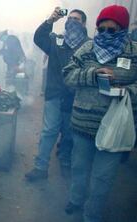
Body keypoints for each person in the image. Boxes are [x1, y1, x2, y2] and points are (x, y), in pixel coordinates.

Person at [63, 5, 137, 222]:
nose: (105, 34)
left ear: (123, 28)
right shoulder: (86, 48)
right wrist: (93, 73)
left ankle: (91, 215)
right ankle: (75, 199)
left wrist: (127, 92)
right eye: (101, 29)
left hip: (116, 127)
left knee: (102, 177)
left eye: (111, 30)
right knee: (79, 167)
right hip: (83, 124)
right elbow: (67, 76)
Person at [25, 8, 89, 181]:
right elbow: (39, 38)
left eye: (77, 19)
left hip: (76, 97)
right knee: (49, 131)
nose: (72, 22)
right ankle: (40, 168)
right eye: (70, 19)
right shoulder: (56, 40)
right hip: (55, 93)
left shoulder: (89, 45)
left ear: (83, 23)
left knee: (69, 132)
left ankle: (65, 160)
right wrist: (50, 21)